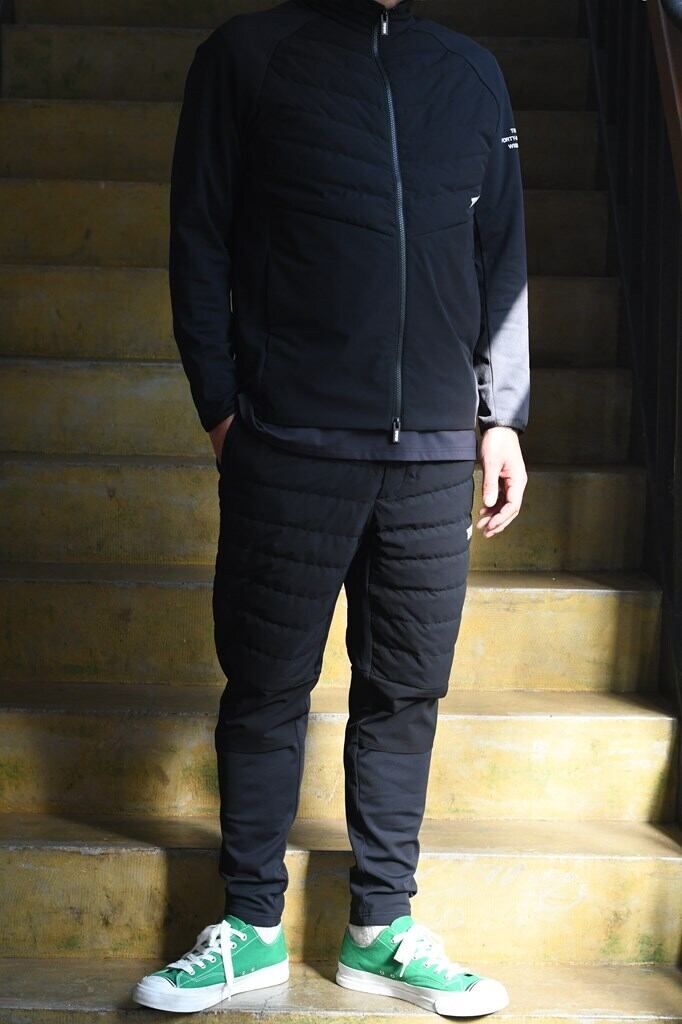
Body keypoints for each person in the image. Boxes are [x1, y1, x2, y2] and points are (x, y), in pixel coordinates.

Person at [132, 0, 529, 1015]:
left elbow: (501, 254)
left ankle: (380, 929)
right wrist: (225, 410)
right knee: (266, 685)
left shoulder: (471, 72)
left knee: (404, 692)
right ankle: (250, 928)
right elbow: (199, 237)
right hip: (291, 442)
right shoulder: (245, 57)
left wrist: (501, 416)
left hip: (434, 453)